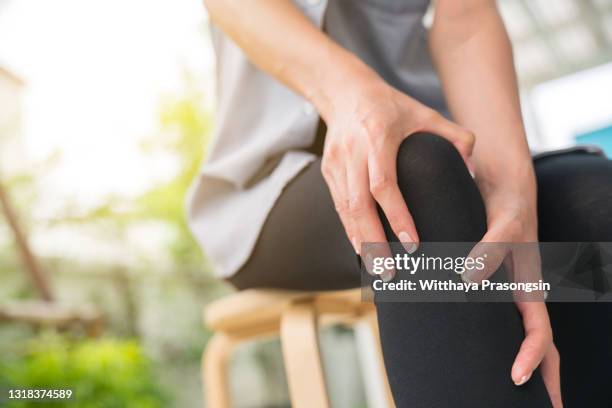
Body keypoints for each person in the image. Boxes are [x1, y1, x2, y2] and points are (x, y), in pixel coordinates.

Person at [189, 0, 612, 406]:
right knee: (410, 182)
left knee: (593, 200)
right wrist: (354, 98)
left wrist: (512, 199)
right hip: (272, 188)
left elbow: (465, 19)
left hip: (442, 141)